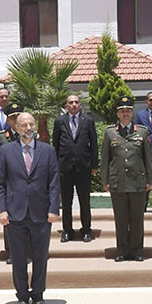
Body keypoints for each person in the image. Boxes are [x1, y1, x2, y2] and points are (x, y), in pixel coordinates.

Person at [0, 112, 60, 304]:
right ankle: (22, 295)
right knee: (19, 257)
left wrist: (53, 208)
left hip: (41, 213)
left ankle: (38, 294)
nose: (28, 128)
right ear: (17, 128)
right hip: (15, 213)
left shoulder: (48, 151)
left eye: (31, 124)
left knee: (41, 256)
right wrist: (2, 210)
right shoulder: (6, 151)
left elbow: (54, 183)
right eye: (24, 125)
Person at [102, 96, 152, 262]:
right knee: (121, 219)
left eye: (128, 111)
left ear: (132, 113)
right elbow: (105, 159)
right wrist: (105, 180)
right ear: (117, 114)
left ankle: (137, 251)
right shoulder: (110, 132)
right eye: (122, 111)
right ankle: (122, 251)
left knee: (137, 218)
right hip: (118, 182)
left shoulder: (142, 132)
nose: (125, 114)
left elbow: (148, 158)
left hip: (138, 182)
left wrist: (150, 180)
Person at [53, 94, 98, 243]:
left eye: (76, 102)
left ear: (80, 105)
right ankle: (67, 231)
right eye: (70, 102)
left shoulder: (88, 121)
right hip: (65, 167)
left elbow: (94, 144)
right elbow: (55, 145)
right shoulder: (59, 121)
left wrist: (94, 165)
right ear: (66, 105)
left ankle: (86, 230)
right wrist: (55, 165)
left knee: (85, 201)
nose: (73, 105)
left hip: (83, 167)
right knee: (66, 201)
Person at [0, 102, 26, 265]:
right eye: (12, 118)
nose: (14, 120)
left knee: (27, 219)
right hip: (9, 187)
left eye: (17, 117)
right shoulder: (1, 138)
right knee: (10, 222)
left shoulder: (30, 136)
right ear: (7, 119)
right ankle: (12, 252)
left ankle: (26, 251)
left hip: (26, 186)